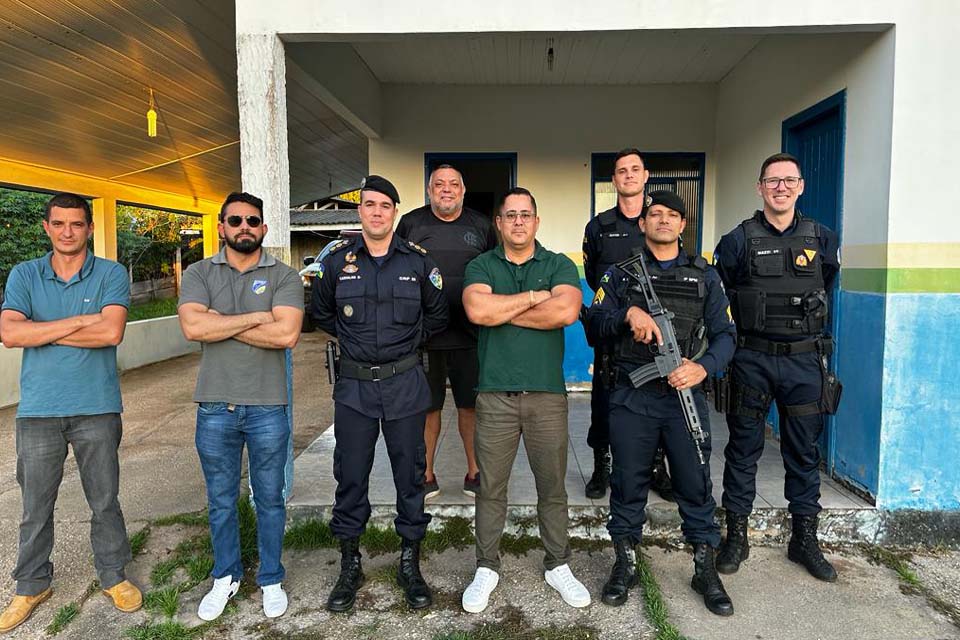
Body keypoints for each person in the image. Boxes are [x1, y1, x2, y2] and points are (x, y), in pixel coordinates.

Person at [586, 190, 736, 615]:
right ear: (643, 222)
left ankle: (704, 568)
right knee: (627, 481)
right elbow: (593, 323)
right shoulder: (619, 276)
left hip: (683, 397)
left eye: (672, 215)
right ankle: (626, 563)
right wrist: (627, 315)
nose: (664, 220)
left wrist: (703, 367)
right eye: (655, 214)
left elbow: (727, 336)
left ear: (683, 224)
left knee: (695, 482)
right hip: (632, 396)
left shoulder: (704, 276)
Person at [0, 192, 141, 633]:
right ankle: (31, 585)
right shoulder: (25, 274)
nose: (67, 232)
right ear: (46, 227)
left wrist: (40, 331)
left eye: (76, 224)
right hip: (38, 410)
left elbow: (111, 332)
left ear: (89, 228)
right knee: (34, 505)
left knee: (104, 499)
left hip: (96, 406)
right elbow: (10, 333)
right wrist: (81, 321)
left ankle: (114, 575)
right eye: (58, 223)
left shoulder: (110, 273)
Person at [310, 175, 449, 613]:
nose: (376, 212)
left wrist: (403, 347)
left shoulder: (418, 263)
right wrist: (356, 345)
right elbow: (321, 313)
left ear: (394, 212)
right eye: (369, 204)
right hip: (354, 388)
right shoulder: (337, 262)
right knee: (351, 475)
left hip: (405, 384)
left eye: (384, 206)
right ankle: (350, 563)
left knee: (411, 475)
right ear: (360, 211)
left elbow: (438, 315)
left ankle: (410, 562)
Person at [713, 152, 841, 582]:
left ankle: (804, 539)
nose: (781, 187)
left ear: (800, 186)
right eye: (772, 181)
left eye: (789, 180)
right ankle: (736, 537)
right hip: (752, 360)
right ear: (760, 188)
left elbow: (826, 281)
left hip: (804, 361)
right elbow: (722, 294)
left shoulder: (822, 238)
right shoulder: (737, 240)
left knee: (803, 453)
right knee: (742, 450)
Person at [460, 187, 588, 613]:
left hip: (546, 396)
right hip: (494, 395)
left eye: (525, 215)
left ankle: (557, 564)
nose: (518, 221)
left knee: (552, 487)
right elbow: (478, 312)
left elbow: (565, 312)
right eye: (510, 215)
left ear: (536, 221)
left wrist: (503, 311)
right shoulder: (481, 264)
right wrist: (535, 297)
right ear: (498, 223)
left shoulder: (558, 264)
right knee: (490, 487)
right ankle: (486, 567)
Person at [177, 192, 303, 621]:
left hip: (268, 406)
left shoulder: (284, 275)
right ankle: (225, 576)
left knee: (270, 498)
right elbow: (192, 326)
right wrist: (256, 317)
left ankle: (271, 578)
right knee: (221, 500)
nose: (244, 227)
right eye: (235, 221)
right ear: (221, 227)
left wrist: (219, 322)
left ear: (264, 228)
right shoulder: (199, 272)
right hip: (215, 406)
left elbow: (286, 335)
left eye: (252, 221)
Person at [395, 164, 498, 499]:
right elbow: (397, 270)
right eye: (439, 184)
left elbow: (496, 270)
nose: (446, 189)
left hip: (471, 335)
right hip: (425, 336)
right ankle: (425, 475)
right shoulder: (411, 223)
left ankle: (475, 472)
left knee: (471, 406)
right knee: (428, 408)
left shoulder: (481, 225)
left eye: (454, 184)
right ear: (429, 191)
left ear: (463, 191)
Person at [582, 148, 672, 501]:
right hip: (612, 331)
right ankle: (601, 466)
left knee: (658, 398)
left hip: (653, 333)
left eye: (635, 169)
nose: (629, 175)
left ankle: (656, 468)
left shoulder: (659, 219)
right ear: (614, 179)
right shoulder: (599, 227)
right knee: (603, 401)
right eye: (622, 170)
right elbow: (594, 278)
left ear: (645, 176)